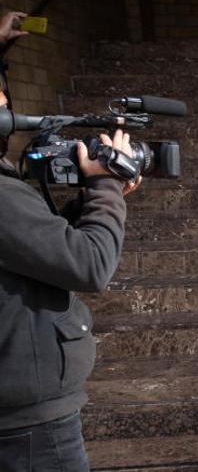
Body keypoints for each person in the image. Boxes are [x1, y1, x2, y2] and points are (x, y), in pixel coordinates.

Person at [0, 85, 140, 470]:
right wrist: (107, 186)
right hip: (29, 426)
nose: (8, 115)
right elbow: (90, 264)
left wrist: (93, 200)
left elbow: (37, 249)